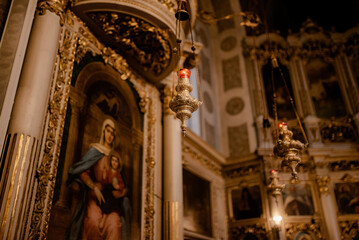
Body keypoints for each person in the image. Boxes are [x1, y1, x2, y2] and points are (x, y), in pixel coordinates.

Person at [66, 118, 130, 240]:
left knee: (114, 224)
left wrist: (120, 192)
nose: (110, 135)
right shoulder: (94, 151)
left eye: (112, 133)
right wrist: (94, 187)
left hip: (110, 200)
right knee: (93, 222)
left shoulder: (115, 156)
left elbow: (123, 183)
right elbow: (82, 172)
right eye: (108, 131)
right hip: (95, 197)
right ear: (103, 132)